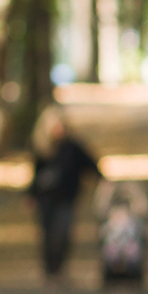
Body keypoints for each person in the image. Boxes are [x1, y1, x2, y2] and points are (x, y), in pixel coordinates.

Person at [26, 104, 103, 283]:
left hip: (67, 198)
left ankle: (60, 267)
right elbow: (35, 175)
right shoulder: (42, 148)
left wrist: (102, 180)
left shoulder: (73, 147)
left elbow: (90, 164)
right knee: (47, 234)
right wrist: (30, 195)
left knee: (63, 232)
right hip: (46, 199)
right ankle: (50, 269)